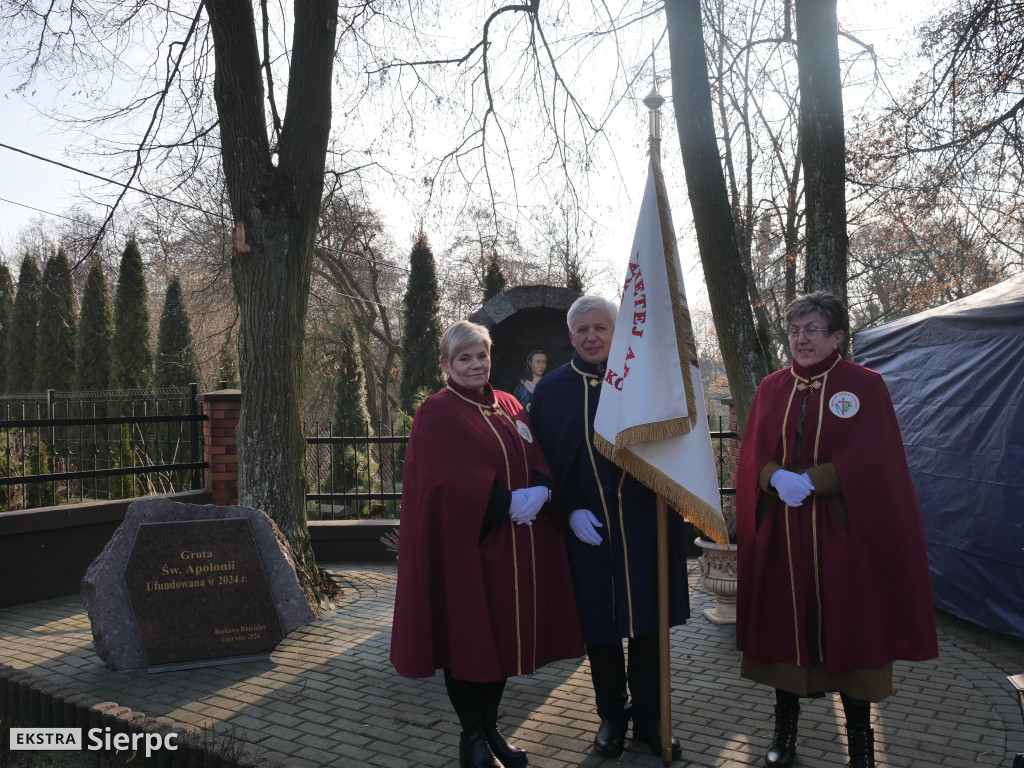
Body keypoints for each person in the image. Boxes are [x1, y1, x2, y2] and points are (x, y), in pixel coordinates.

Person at [736, 291, 938, 768]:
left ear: (837, 337)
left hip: (844, 536)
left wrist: (814, 479)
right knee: (786, 630)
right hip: (784, 535)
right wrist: (774, 477)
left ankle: (861, 747)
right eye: (794, 331)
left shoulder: (864, 385)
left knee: (852, 634)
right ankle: (785, 736)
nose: (800, 339)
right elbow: (752, 456)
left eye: (811, 330)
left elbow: (876, 460)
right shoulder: (771, 387)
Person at [390, 320, 585, 768]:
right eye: (465, 358)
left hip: (513, 553)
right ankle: (471, 738)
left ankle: (493, 728)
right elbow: (441, 483)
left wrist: (541, 488)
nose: (475, 365)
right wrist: (501, 503)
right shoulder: (436, 412)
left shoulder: (511, 403)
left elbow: (536, 453)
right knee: (468, 643)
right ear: (446, 364)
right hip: (467, 553)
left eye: (481, 355)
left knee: (500, 642)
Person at [529, 295, 688, 761]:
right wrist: (568, 509)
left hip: (646, 526)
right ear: (570, 335)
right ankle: (611, 718)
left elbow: (675, 447)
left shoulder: (646, 382)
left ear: (617, 332)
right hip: (588, 530)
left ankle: (651, 717)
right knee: (600, 629)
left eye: (601, 328)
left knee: (648, 625)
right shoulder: (553, 390)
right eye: (582, 330)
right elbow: (542, 464)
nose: (592, 337)